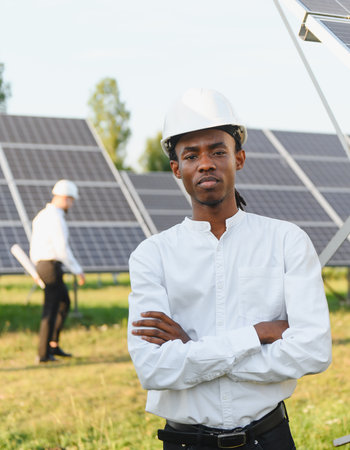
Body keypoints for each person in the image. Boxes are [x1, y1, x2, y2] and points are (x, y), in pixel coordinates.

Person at [128, 88, 332, 449]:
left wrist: (193, 350)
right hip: (187, 442)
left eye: (217, 151)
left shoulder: (286, 241)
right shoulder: (152, 256)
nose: (205, 163)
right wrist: (256, 335)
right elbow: (154, 368)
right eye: (191, 155)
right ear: (177, 168)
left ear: (238, 158)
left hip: (269, 438)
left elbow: (313, 351)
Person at [30, 179, 85, 363]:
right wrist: (77, 270)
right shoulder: (56, 218)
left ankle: (52, 345)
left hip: (42, 265)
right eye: (70, 200)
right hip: (51, 266)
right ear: (63, 198)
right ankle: (44, 354)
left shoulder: (41, 216)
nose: (71, 204)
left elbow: (34, 246)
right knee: (51, 309)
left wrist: (36, 268)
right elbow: (62, 249)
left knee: (63, 303)